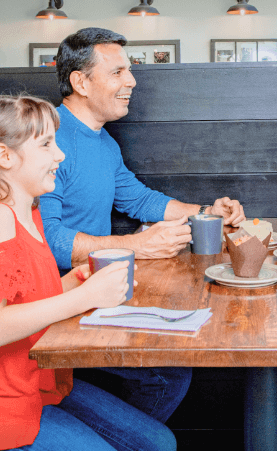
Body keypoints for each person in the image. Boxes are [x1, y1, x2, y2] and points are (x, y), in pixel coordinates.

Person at [39, 27, 245, 429]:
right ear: (80, 82)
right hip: (58, 300)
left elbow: (139, 199)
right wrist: (137, 246)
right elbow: (49, 240)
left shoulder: (103, 142)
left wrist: (207, 211)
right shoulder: (49, 139)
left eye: (128, 71)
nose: (131, 81)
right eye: (117, 72)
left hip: (97, 287)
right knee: (167, 374)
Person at [0, 94, 176, 451]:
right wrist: (83, 298)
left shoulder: (30, 213)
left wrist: (72, 282)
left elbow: (23, 295)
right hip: (10, 404)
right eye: (47, 144)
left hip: (44, 381)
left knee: (159, 442)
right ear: (5, 156)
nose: (59, 155)